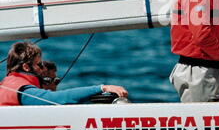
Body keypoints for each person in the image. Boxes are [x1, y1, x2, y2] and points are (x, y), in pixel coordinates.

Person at [0, 41, 128, 106]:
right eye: (39, 65)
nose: (42, 69)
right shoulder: (19, 89)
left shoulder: (8, 83)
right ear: (26, 67)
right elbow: (56, 99)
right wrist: (101, 88)